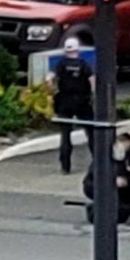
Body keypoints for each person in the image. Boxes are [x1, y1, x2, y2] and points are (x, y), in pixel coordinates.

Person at [47, 38, 94, 174]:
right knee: (91, 132)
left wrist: (52, 91)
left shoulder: (61, 64)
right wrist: (92, 95)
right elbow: (92, 80)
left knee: (65, 135)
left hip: (65, 101)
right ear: (77, 50)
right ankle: (97, 162)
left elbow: (49, 78)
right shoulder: (84, 64)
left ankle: (65, 167)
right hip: (82, 101)